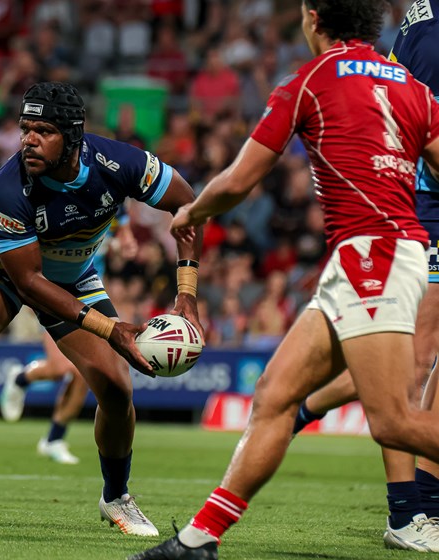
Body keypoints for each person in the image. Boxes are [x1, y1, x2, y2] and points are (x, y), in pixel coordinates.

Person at [131, 1, 439, 559]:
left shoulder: (310, 80)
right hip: (382, 254)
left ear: (314, 18)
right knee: (274, 396)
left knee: (393, 421)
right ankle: (198, 542)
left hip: (374, 255)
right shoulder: (411, 86)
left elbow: (240, 179)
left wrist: (192, 213)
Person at [0, 81, 203, 535]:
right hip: (3, 268)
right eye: (25, 128)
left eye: (43, 130)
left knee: (117, 392)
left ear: (73, 136)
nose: (29, 140)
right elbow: (29, 282)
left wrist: (187, 294)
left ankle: (116, 497)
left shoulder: (121, 164)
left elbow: (190, 207)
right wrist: (111, 327)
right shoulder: (7, 186)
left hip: (74, 277)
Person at [289, 1, 439, 551]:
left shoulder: (420, 23)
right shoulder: (431, 35)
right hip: (424, 205)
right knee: (414, 357)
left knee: (412, 359)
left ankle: (305, 407)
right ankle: (409, 512)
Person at [0, 210, 139, 465]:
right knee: (60, 369)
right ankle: (21, 378)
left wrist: (125, 243)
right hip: (53, 294)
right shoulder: (66, 209)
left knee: (83, 374)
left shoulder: (112, 203)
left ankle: (54, 439)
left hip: (90, 297)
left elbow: (123, 232)